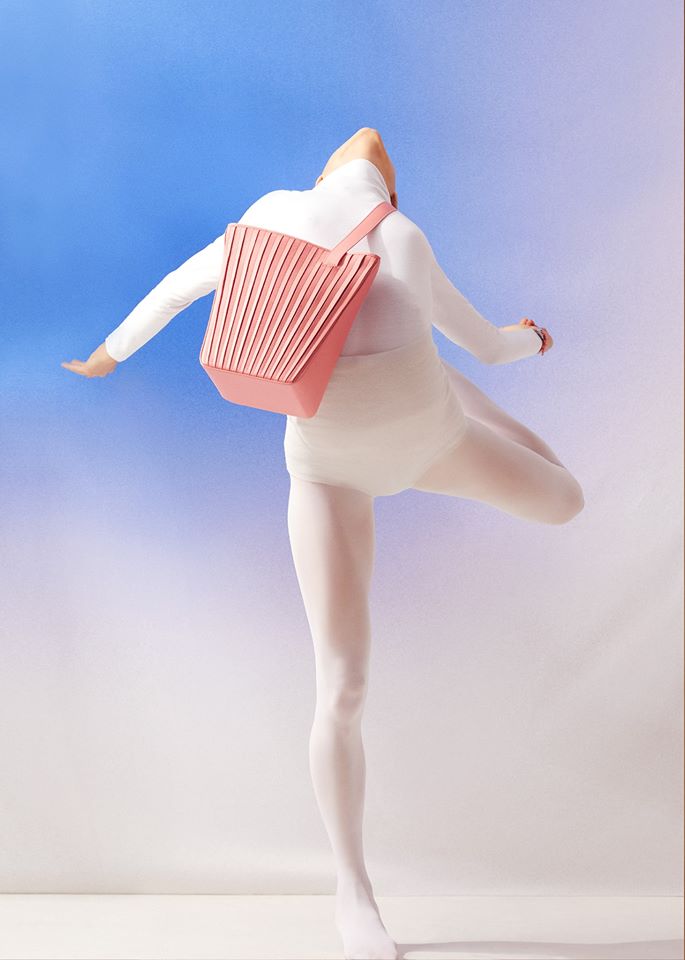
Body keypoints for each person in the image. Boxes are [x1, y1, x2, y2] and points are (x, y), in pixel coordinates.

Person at [62, 127, 584, 960]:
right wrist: (532, 337)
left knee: (558, 502)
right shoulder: (398, 235)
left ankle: (451, 392)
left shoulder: (266, 220)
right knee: (343, 687)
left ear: (321, 180)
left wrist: (108, 355)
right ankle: (353, 892)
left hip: (420, 446)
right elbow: (489, 343)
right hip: (338, 474)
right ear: (389, 192)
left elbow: (173, 292)